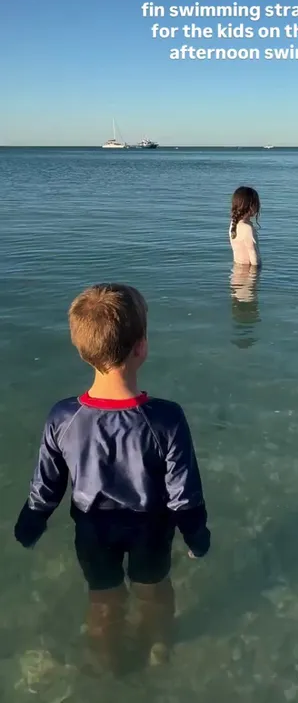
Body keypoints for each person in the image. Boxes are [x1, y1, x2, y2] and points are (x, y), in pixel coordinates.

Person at [14, 283, 210, 674]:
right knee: (154, 591)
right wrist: (196, 534)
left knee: (103, 599)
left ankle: (107, 662)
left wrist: (32, 522)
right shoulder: (166, 418)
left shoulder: (63, 417)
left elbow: (47, 485)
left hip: (93, 529)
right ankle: (159, 648)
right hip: (150, 529)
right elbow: (183, 493)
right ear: (141, 347)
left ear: (81, 348)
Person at [229, 186, 261, 267]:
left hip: (237, 270)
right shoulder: (247, 228)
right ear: (250, 206)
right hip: (249, 272)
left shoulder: (233, 224)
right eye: (256, 203)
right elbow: (254, 258)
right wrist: (257, 273)